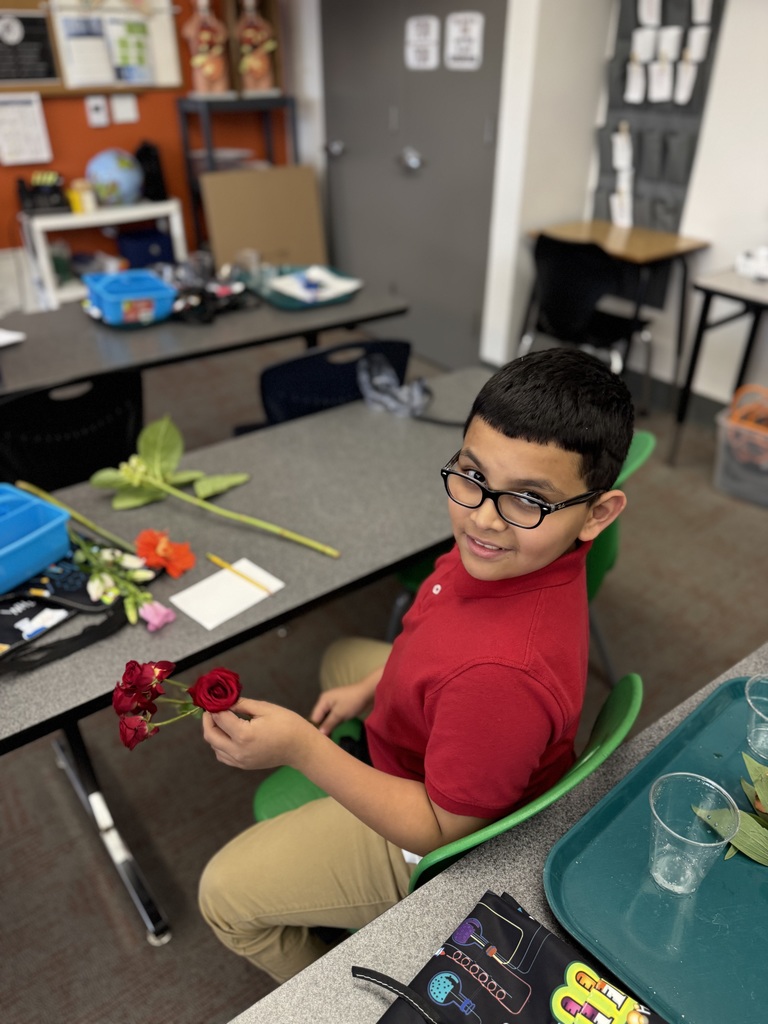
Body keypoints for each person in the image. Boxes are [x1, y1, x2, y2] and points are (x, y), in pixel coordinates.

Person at [198, 348, 635, 983]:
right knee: (341, 658)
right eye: (473, 475)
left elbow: (438, 829)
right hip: (460, 722)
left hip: (435, 837)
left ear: (597, 513)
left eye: (528, 500)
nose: (483, 517)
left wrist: (301, 750)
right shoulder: (507, 554)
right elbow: (432, 627)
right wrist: (370, 687)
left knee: (222, 895)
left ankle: (325, 1000)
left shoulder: (501, 678)